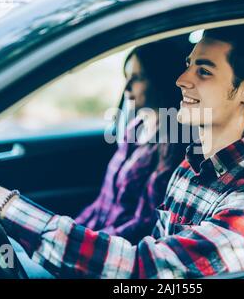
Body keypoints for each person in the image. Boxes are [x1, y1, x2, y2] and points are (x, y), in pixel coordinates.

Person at [0, 24, 244, 278]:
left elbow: (144, 272)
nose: (181, 79)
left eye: (204, 71)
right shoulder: (193, 167)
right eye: (188, 65)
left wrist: (1, 202)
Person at [74, 39, 190, 244]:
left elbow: (145, 222)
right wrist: (75, 228)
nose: (127, 87)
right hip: (96, 233)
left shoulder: (174, 143)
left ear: (160, 79)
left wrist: (86, 242)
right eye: (127, 77)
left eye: (137, 78)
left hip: (115, 247)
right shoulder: (135, 126)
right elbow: (103, 200)